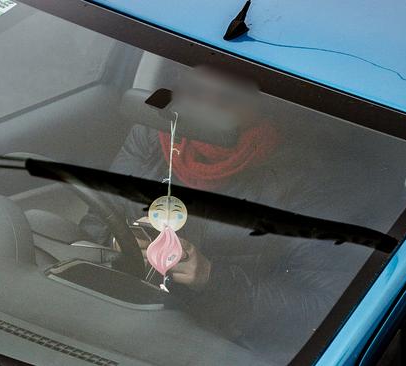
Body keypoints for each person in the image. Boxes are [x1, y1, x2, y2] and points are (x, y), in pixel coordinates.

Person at [80, 67, 372, 362]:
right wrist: (123, 243)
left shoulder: (308, 185)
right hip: (129, 313)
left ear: (262, 105)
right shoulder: (151, 134)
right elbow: (95, 222)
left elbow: (319, 310)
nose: (206, 107)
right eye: (195, 92)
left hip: (220, 344)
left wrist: (211, 278)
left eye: (227, 98)